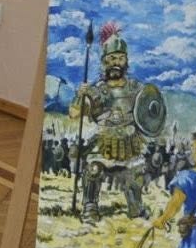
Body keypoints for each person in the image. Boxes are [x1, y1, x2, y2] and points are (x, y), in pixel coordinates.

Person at [69, 23, 165, 220]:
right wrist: (80, 96)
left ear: (126, 61)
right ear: (104, 61)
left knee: (135, 173)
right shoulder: (97, 90)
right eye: (112, 58)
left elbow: (150, 111)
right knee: (93, 169)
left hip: (130, 143)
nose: (116, 63)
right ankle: (90, 207)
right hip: (103, 142)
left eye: (120, 58)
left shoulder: (136, 88)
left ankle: (136, 208)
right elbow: (74, 114)